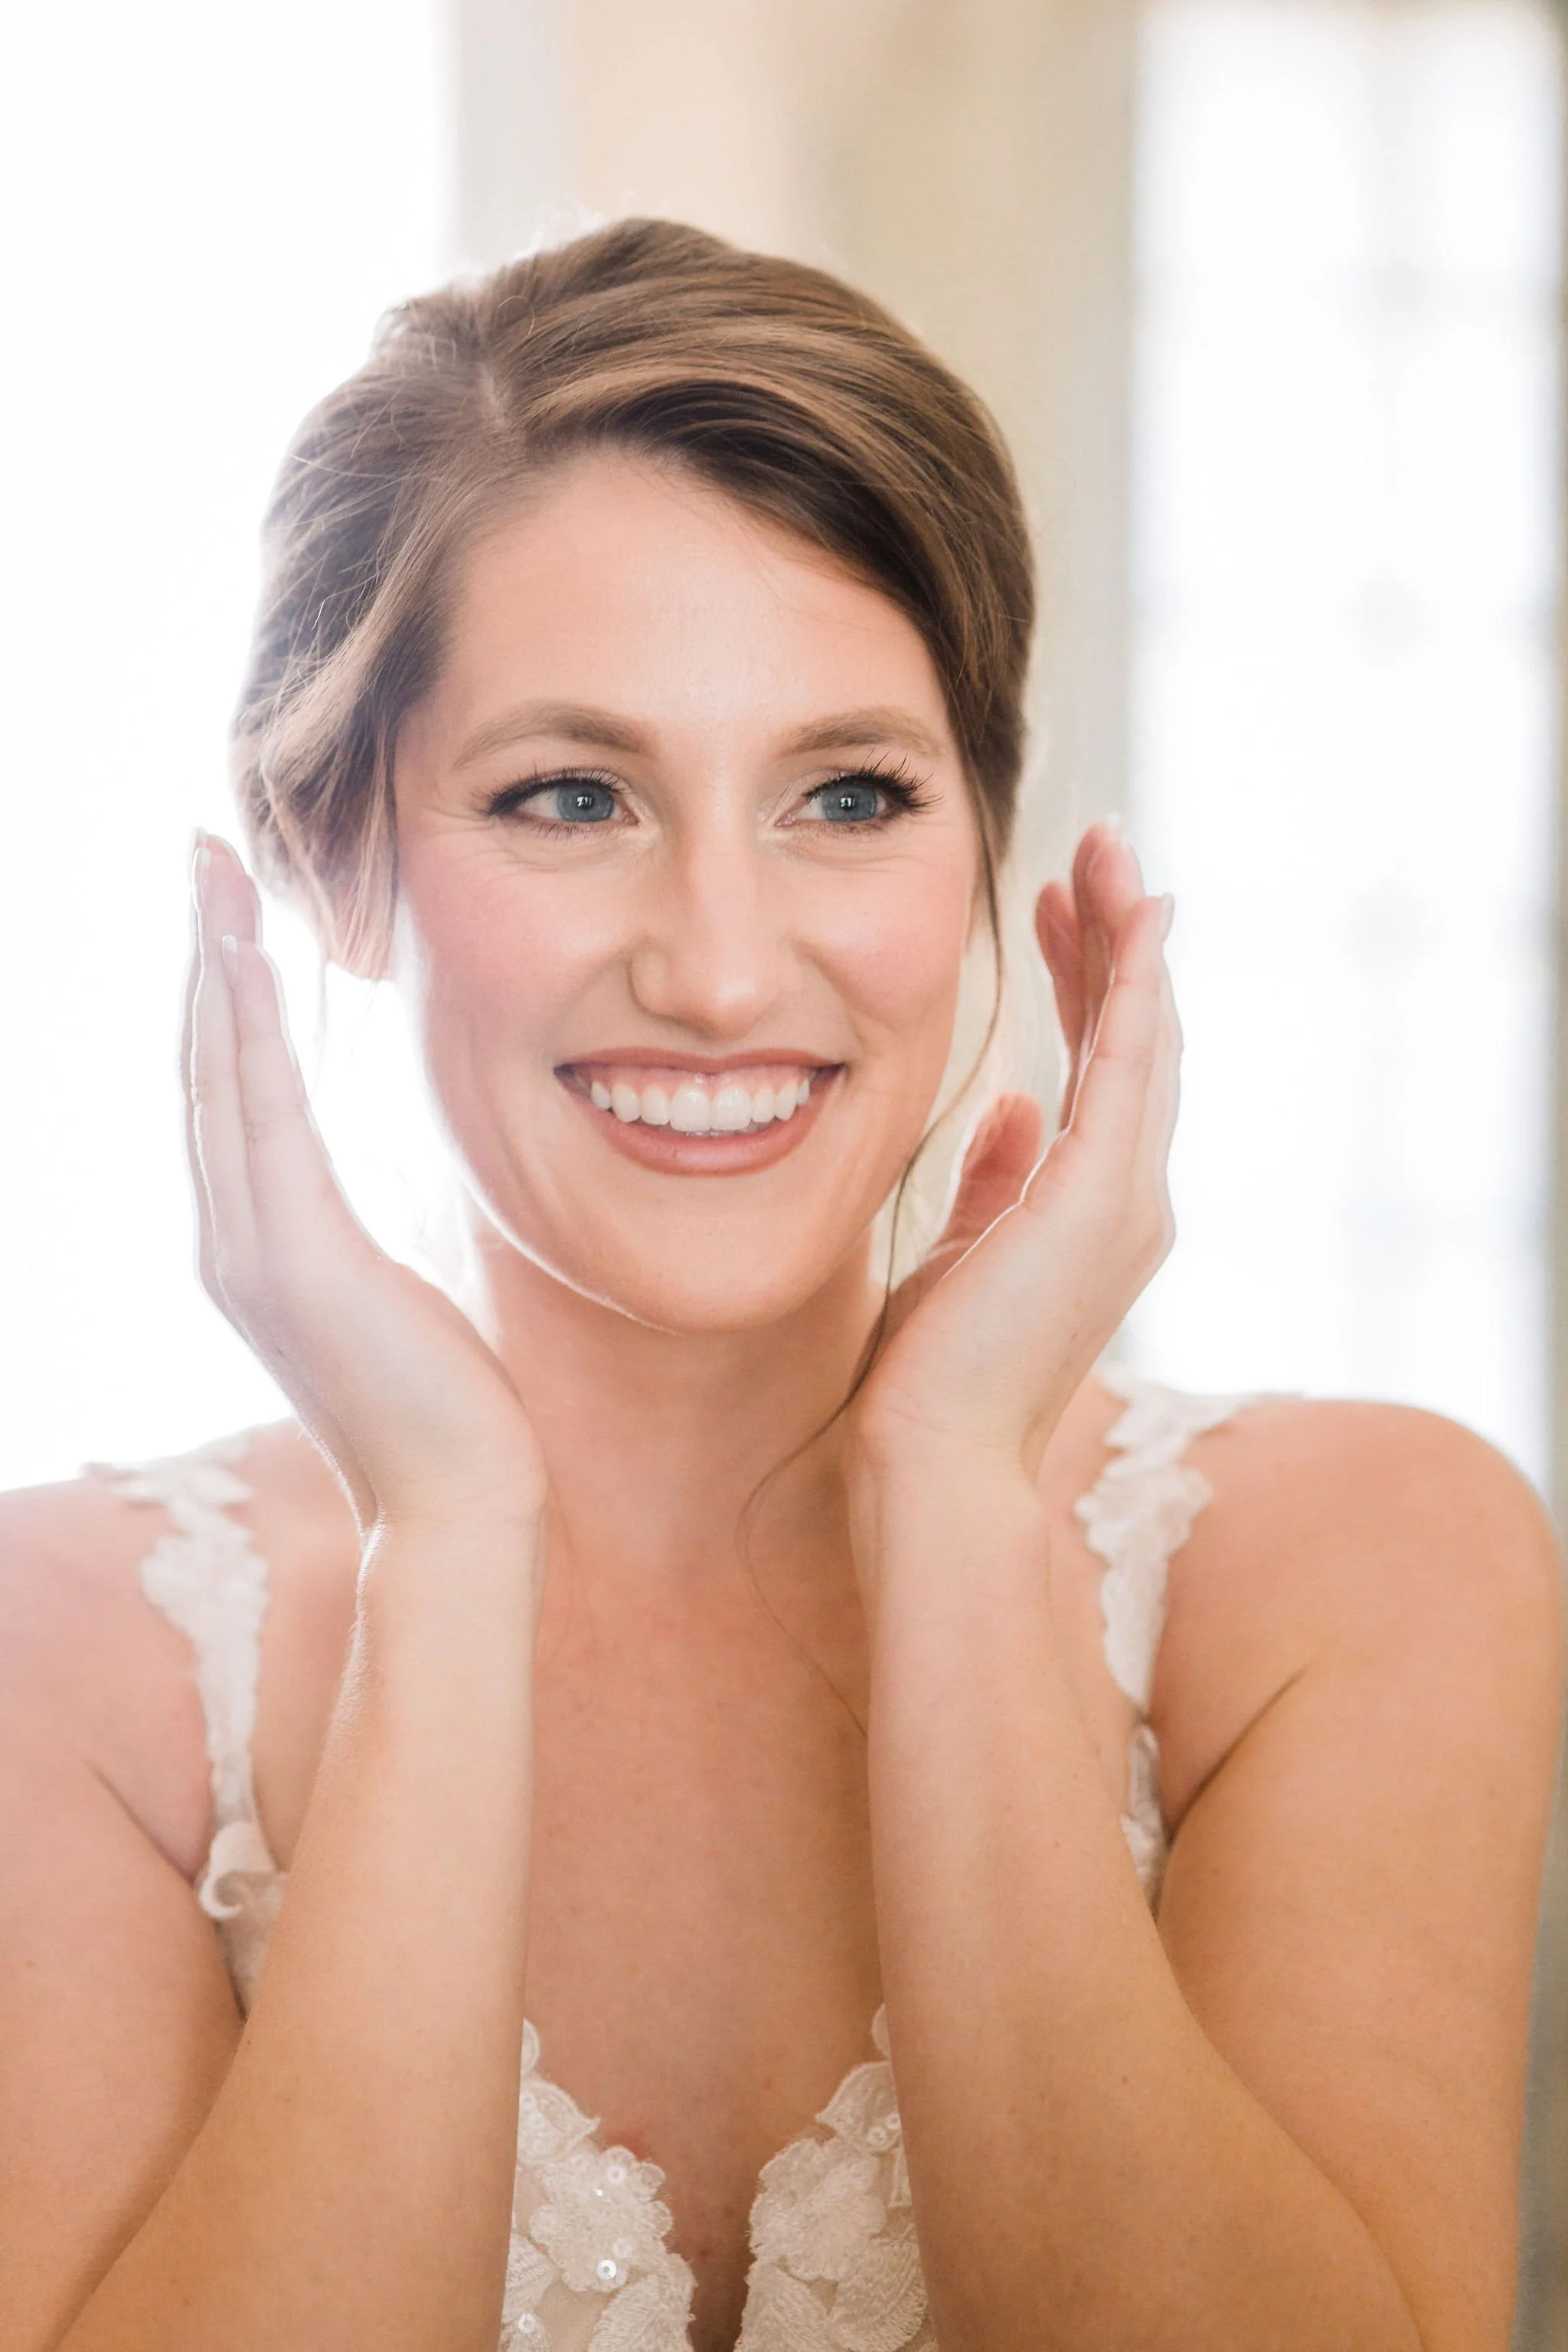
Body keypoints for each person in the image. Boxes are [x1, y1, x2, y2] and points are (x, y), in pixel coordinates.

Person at [0, 218, 1562, 2352]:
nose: (727, 968)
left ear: (992, 850)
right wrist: (449, 1535)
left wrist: (953, 1490)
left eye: (850, 794)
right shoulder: (59, 1659)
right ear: (328, 861)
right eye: (570, 795)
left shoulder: (1368, 1561)